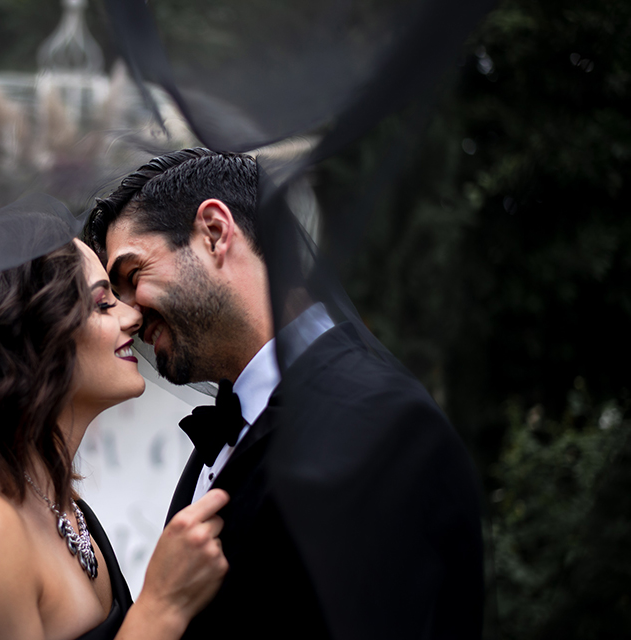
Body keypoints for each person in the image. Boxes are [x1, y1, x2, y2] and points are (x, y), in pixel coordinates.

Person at [85, 148, 485, 639]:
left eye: (132, 276)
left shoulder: (383, 425)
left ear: (214, 232)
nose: (129, 315)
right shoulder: (225, 430)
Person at [0, 235, 230, 640]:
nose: (133, 316)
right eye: (103, 303)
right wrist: (162, 607)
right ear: (25, 341)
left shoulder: (55, 499)